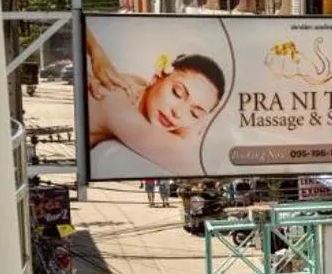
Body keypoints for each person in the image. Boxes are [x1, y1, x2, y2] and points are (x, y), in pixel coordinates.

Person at [86, 30, 227, 177]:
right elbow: (196, 165)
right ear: (157, 76)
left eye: (194, 113)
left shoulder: (137, 85)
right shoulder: (115, 101)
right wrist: (96, 52)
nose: (177, 113)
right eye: (177, 93)